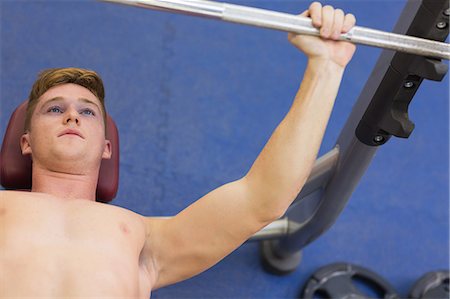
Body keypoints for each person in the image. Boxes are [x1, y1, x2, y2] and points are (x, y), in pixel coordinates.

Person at [0, 2, 356, 297]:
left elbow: (261, 199)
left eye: (88, 111)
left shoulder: (143, 239)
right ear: (26, 142)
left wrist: (326, 68)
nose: (72, 116)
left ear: (107, 147)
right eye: (55, 109)